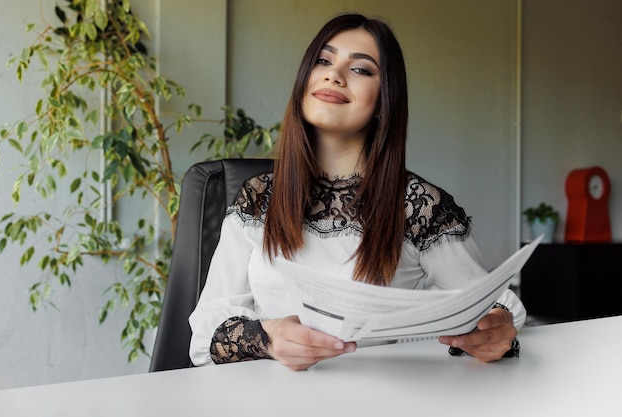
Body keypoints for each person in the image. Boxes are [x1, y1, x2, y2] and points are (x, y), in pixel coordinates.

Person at [189, 13, 525, 371]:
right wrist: (268, 339)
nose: (334, 74)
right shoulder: (259, 197)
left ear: (385, 100)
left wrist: (496, 332)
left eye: (361, 69)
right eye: (323, 60)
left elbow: (491, 307)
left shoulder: (419, 207)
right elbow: (204, 336)